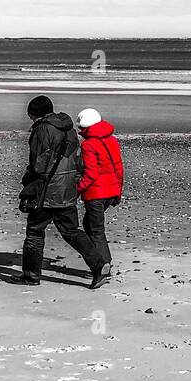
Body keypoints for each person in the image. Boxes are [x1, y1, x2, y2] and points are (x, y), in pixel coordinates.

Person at [19, 95, 106, 289]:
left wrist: (27, 181)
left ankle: (30, 276)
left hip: (48, 190)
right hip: (68, 187)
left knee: (34, 231)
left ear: (35, 113)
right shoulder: (70, 130)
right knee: (71, 231)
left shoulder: (42, 129)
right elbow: (77, 159)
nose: (30, 118)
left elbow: (39, 164)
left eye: (30, 114)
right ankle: (99, 266)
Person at [75, 107, 124, 280]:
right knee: (90, 225)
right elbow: (118, 167)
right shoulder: (112, 140)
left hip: (96, 194)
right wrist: (118, 190)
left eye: (81, 128)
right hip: (111, 192)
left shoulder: (88, 144)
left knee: (95, 230)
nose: (80, 132)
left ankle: (104, 265)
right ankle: (104, 262)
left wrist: (77, 189)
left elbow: (91, 174)